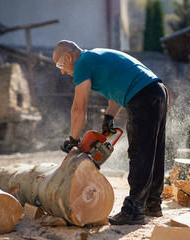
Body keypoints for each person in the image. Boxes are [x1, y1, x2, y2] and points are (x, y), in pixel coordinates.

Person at [53, 40, 168, 225]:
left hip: (143, 95)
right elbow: (117, 90)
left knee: (139, 152)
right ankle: (153, 204)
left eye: (60, 64)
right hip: (157, 91)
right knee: (153, 151)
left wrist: (73, 139)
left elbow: (79, 108)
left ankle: (133, 210)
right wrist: (109, 117)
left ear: (68, 56)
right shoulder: (96, 58)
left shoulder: (82, 63)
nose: (61, 70)